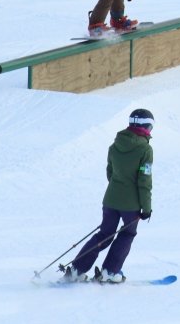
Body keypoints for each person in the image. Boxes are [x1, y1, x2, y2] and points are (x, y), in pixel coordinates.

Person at [62, 109, 156, 284]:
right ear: (145, 127)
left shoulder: (115, 146)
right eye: (150, 126)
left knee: (104, 234)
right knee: (127, 234)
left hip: (110, 200)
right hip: (131, 204)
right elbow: (144, 181)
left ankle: (76, 270)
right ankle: (110, 272)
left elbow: (110, 172)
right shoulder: (145, 149)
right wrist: (146, 208)